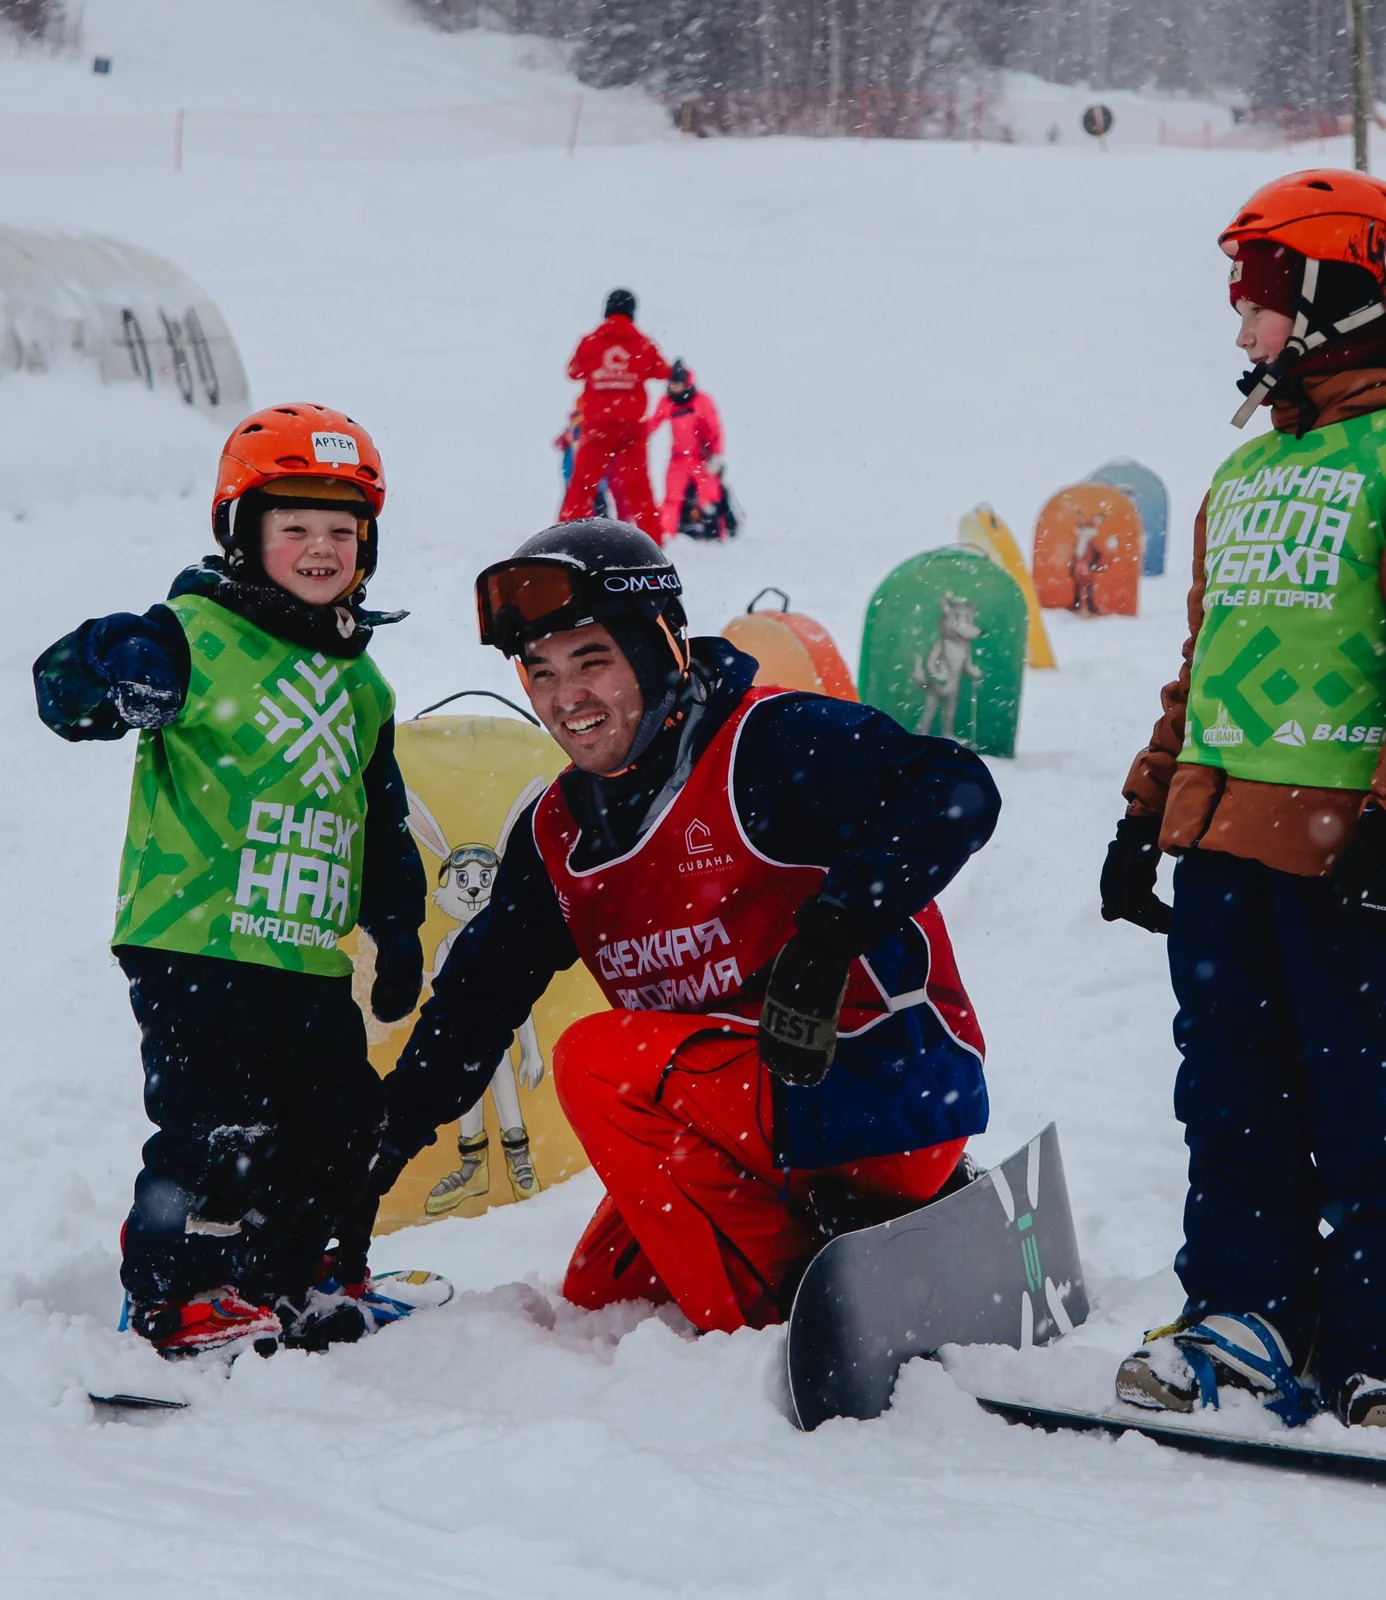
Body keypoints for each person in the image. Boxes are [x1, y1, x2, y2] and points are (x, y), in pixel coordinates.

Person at [1098, 170, 1386, 1432]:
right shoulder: (1245, 473)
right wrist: (1141, 814)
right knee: (1230, 1100)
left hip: (1349, 850)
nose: (1243, 324)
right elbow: (1204, 664)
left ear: (1341, 295)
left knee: (1364, 1103)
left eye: (1263, 296)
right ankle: (1246, 1318)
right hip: (1221, 845)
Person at [373, 519, 1000, 1333]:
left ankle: (798, 1319)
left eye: (592, 661)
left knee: (595, 1061)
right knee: (608, 1294)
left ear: (660, 647)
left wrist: (832, 932)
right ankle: (870, 1237)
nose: (566, 698)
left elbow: (952, 787)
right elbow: (479, 1001)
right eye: (541, 672)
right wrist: (385, 1141)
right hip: (745, 1117)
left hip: (876, 1087)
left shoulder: (767, 741)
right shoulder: (559, 830)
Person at [34, 403, 427, 1358]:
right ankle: (176, 1297)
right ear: (242, 532)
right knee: (219, 1125)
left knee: (342, 1121)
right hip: (194, 935)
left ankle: (297, 1277)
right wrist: (109, 661)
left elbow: (377, 817)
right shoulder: (187, 634)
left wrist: (399, 928)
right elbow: (65, 695)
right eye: (295, 526)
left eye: (343, 530)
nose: (322, 548)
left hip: (305, 951)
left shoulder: (362, 682)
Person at [559, 289, 669, 542]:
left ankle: (563, 538)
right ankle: (653, 540)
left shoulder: (590, 341)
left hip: (597, 425)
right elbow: (662, 371)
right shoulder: (642, 343)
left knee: (582, 487)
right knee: (639, 489)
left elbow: (573, 371)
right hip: (632, 427)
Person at [647, 360, 730, 540]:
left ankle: (715, 534)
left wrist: (716, 455)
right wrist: (636, 436)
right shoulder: (667, 402)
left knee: (709, 497)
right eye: (671, 384)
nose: (673, 387)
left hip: (701, 457)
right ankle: (666, 536)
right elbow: (652, 423)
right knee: (672, 499)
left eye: (677, 384)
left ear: (686, 384)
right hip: (678, 459)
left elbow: (715, 430)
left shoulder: (702, 401)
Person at [552, 398, 611, 520]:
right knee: (573, 505)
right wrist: (566, 439)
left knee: (595, 505)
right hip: (575, 476)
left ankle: (569, 525)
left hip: (592, 478)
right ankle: (567, 525)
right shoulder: (572, 429)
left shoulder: (592, 428)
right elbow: (558, 443)